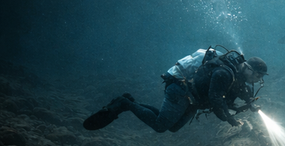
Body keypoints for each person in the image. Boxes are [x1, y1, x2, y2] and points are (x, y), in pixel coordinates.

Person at [83, 49, 267, 132]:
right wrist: (230, 119)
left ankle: (130, 102)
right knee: (161, 125)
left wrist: (250, 103)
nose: (258, 80)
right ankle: (125, 104)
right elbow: (216, 98)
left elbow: (241, 90)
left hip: (192, 98)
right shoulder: (224, 73)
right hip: (180, 90)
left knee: (172, 127)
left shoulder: (238, 75)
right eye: (258, 76)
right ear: (248, 68)